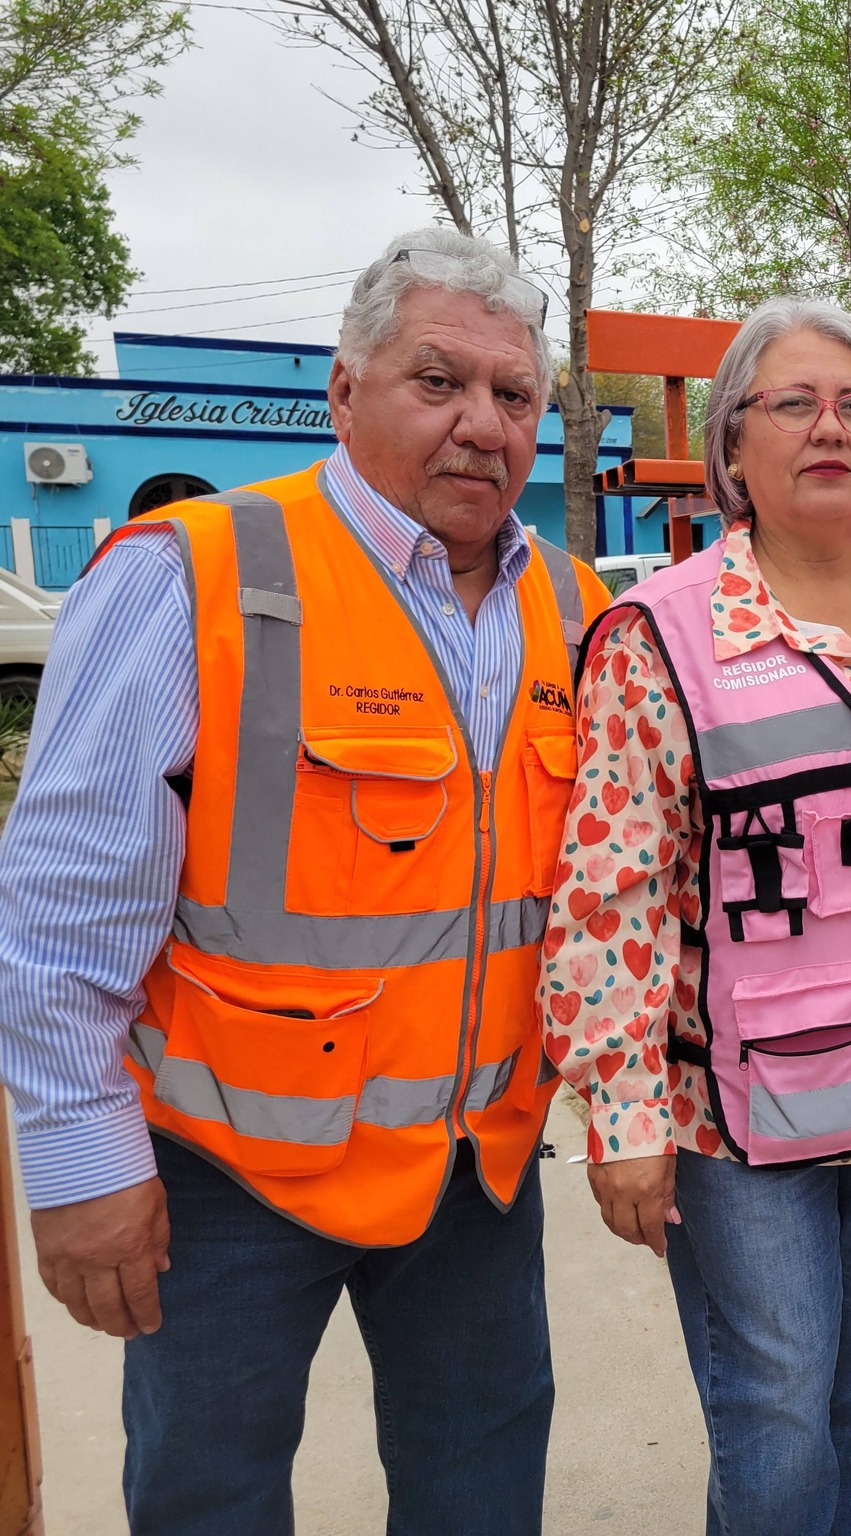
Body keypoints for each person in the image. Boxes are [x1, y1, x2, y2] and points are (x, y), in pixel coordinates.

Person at [0, 226, 610, 1534]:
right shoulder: (195, 573)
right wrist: (78, 1162)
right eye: (438, 381)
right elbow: (61, 904)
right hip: (230, 1175)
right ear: (343, 389)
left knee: (481, 1492)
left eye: (514, 395)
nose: (482, 424)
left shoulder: (569, 608)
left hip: (474, 1173)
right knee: (210, 1500)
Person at [541, 296, 851, 1536]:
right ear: (732, 446)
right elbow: (610, 891)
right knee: (778, 1408)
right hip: (745, 1110)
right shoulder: (659, 636)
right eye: (791, 403)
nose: (829, 428)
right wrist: (624, 1116)